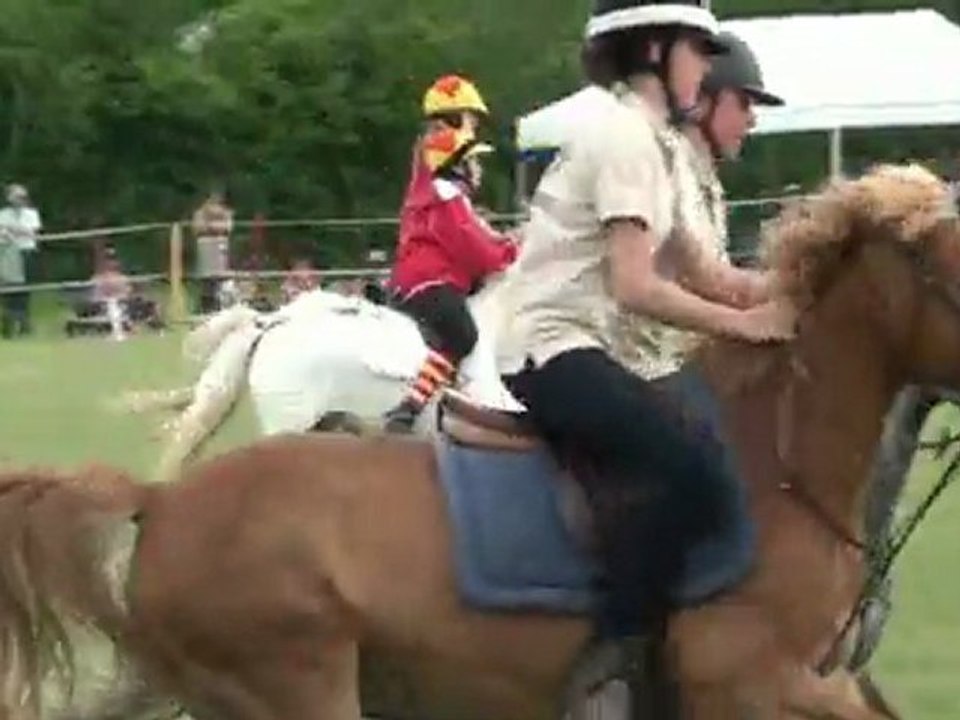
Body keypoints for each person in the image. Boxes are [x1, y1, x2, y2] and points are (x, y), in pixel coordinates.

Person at [498, 0, 796, 686]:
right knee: (693, 465)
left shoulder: (656, 143)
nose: (705, 64)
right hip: (556, 349)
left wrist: (805, 295)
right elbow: (635, 286)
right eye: (698, 48)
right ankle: (614, 651)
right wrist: (744, 325)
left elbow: (712, 275)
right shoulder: (625, 138)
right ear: (654, 50)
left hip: (593, 346)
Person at [383, 126, 517, 432]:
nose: (479, 169)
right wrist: (510, 254)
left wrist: (507, 244)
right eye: (474, 162)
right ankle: (410, 407)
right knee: (462, 335)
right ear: (457, 165)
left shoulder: (444, 197)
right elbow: (473, 248)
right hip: (430, 282)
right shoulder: (448, 198)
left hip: (418, 281)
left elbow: (481, 238)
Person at [0, 184, 42, 338]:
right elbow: (3, 233)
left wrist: (11, 229)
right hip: (8, 254)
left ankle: (24, 324)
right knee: (8, 289)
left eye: (21, 197)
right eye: (15, 196)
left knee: (25, 289)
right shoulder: (3, 214)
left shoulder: (32, 214)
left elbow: (31, 233)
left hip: (26, 252)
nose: (19, 200)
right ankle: (8, 326)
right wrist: (13, 231)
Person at [191, 190, 234, 314]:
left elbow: (227, 227)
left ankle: (221, 304)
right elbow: (198, 227)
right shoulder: (200, 213)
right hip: (205, 245)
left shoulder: (226, 213)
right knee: (206, 277)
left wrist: (212, 225)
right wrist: (212, 226)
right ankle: (206, 305)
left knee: (220, 276)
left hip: (220, 245)